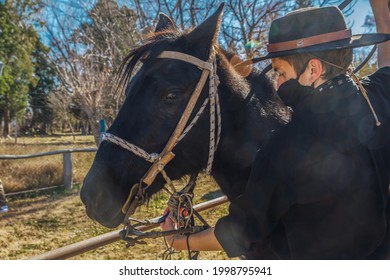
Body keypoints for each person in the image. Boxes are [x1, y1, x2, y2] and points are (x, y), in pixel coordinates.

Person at [161, 1, 390, 259]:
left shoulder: (286, 148)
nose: (277, 82)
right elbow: (387, 63)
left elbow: (241, 231)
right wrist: (382, 13)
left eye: (280, 72)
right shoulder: (376, 98)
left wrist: (180, 241)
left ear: (313, 69)